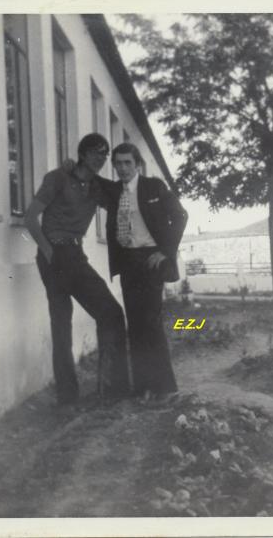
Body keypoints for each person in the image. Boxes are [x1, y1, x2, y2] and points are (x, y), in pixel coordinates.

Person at [24, 133, 130, 404]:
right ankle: (68, 399)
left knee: (110, 313)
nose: (100, 158)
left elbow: (123, 195)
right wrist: (49, 252)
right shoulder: (57, 178)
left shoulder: (97, 187)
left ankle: (110, 390)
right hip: (54, 255)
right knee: (62, 325)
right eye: (95, 152)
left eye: (104, 154)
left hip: (75, 254)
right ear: (82, 154)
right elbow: (30, 216)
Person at [102, 142, 188, 399]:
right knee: (135, 324)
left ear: (137, 164)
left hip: (151, 260)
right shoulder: (114, 191)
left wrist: (165, 251)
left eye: (127, 163)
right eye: (118, 163)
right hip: (128, 261)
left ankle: (164, 387)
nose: (122, 168)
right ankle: (143, 388)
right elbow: (90, 181)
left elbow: (180, 216)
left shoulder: (154, 187)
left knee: (151, 322)